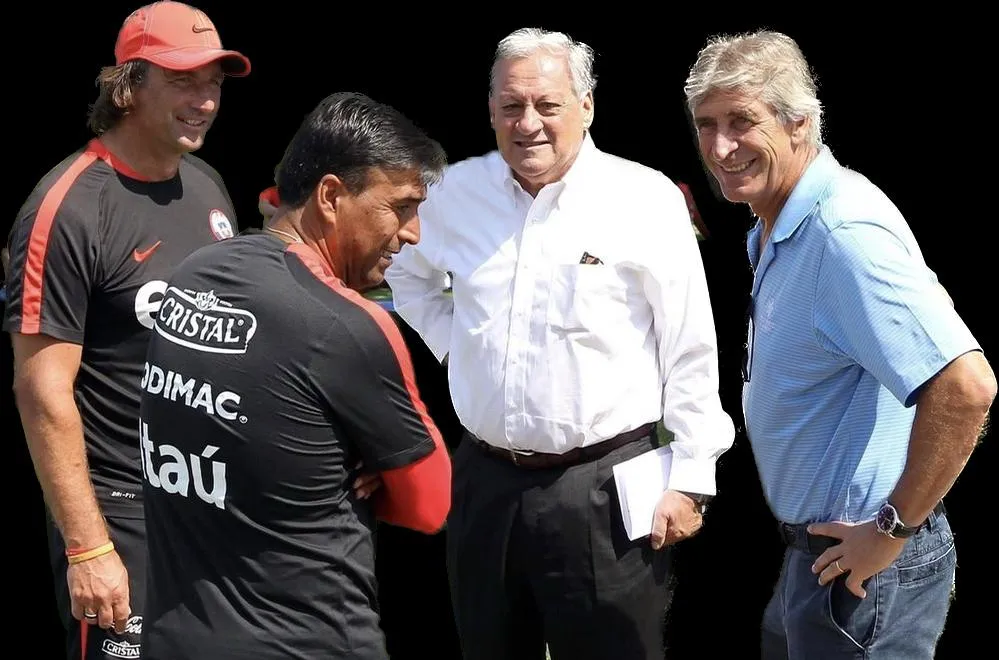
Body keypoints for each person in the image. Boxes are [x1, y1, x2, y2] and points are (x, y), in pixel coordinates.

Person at [384, 27, 735, 660]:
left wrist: (691, 478)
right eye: (512, 106)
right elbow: (405, 275)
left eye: (548, 105)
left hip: (604, 489)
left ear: (587, 106)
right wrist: (458, 347)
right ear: (490, 111)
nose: (529, 124)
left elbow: (691, 346)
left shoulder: (644, 197)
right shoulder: (452, 194)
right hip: (485, 482)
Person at [684, 30, 997, 659]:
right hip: (817, 557)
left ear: (799, 124)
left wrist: (893, 529)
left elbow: (966, 387)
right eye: (705, 124)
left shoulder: (841, 234)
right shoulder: (778, 221)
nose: (719, 148)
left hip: (866, 569)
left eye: (742, 122)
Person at [137, 90, 452, 660]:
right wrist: (365, 468)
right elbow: (429, 504)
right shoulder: (345, 324)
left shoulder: (192, 273)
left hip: (175, 632)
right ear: (331, 196)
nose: (413, 234)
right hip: (304, 640)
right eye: (401, 206)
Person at [3, 2, 249, 657]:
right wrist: (88, 547)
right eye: (184, 81)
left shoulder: (208, 187)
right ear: (129, 86)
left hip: (207, 508)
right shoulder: (70, 207)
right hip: (122, 520)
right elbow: (41, 391)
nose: (204, 102)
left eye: (214, 84)